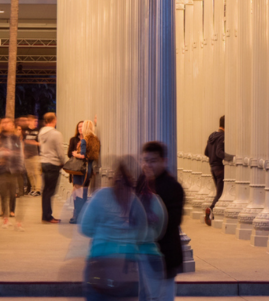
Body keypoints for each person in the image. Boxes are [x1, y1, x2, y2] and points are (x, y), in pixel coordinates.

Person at [78, 154, 165, 301]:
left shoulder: (100, 196)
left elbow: (85, 226)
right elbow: (143, 233)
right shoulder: (135, 202)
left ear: (112, 177)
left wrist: (101, 233)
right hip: (127, 265)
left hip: (100, 261)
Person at [141, 141, 186, 300]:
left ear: (164, 161)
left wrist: (152, 217)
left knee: (163, 296)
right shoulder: (140, 183)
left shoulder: (173, 187)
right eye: (145, 160)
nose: (148, 165)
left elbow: (174, 220)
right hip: (142, 253)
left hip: (164, 254)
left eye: (153, 161)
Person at [0, 120, 24, 226]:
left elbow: (20, 153)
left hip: (14, 169)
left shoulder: (16, 138)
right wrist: (2, 152)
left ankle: (11, 210)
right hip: (2, 168)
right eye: (5, 123)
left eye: (10, 123)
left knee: (13, 192)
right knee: (3, 192)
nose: (8, 125)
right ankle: (4, 214)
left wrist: (21, 165)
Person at [38, 113, 65, 223]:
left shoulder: (41, 133)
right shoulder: (56, 134)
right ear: (54, 120)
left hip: (43, 162)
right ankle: (48, 216)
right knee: (50, 191)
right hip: (53, 163)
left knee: (46, 191)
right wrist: (63, 162)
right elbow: (60, 151)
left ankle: (45, 215)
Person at [203, 117, 229, 226]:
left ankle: (211, 213)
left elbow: (206, 152)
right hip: (220, 168)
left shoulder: (212, 136)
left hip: (212, 167)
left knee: (218, 192)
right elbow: (219, 153)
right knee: (220, 193)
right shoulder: (222, 137)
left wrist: (213, 158)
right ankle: (211, 209)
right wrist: (231, 157)